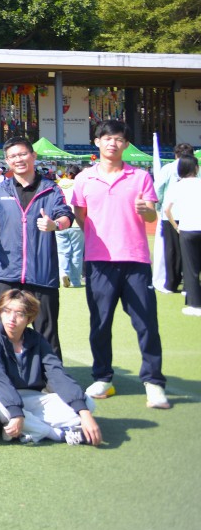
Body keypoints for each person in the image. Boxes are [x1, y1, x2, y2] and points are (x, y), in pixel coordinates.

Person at [72, 120, 169, 409]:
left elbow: (151, 216)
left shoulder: (140, 177)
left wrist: (146, 211)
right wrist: (98, 239)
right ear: (97, 142)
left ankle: (153, 382)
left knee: (147, 323)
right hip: (99, 262)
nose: (112, 143)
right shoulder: (84, 179)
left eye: (118, 139)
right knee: (100, 324)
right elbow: (80, 215)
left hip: (135, 260)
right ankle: (103, 377)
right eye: (107, 138)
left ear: (126, 144)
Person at [0, 136, 74, 359]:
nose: (19, 159)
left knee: (47, 333)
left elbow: (66, 216)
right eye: (13, 156)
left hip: (42, 274)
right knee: (5, 330)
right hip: (6, 274)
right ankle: (5, 374)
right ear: (7, 161)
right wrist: (3, 253)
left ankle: (51, 377)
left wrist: (54, 225)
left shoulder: (51, 189)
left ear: (33, 156)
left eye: (23, 154)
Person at [0, 289, 102, 446]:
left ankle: (26, 427)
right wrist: (16, 412)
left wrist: (84, 413)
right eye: (6, 311)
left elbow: (57, 374)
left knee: (87, 403)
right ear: (0, 312)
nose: (12, 318)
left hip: (29, 399)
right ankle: (56, 434)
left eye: (19, 314)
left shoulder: (37, 340)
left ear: (29, 318)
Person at [163, 155, 201, 316]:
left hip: (187, 229)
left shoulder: (177, 186)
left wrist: (175, 226)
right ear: (196, 168)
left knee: (191, 268)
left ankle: (195, 305)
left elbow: (166, 209)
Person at [155, 143, 195, 293]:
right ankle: (189, 285)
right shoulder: (195, 169)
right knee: (191, 250)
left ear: (175, 154)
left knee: (171, 250)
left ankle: (171, 284)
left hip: (170, 214)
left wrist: (158, 207)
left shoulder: (168, 168)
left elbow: (158, 189)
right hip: (190, 214)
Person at [56, 165, 86, 287]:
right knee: (77, 253)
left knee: (62, 252)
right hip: (76, 222)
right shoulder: (79, 186)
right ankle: (75, 280)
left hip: (59, 222)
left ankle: (63, 272)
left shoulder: (57, 186)